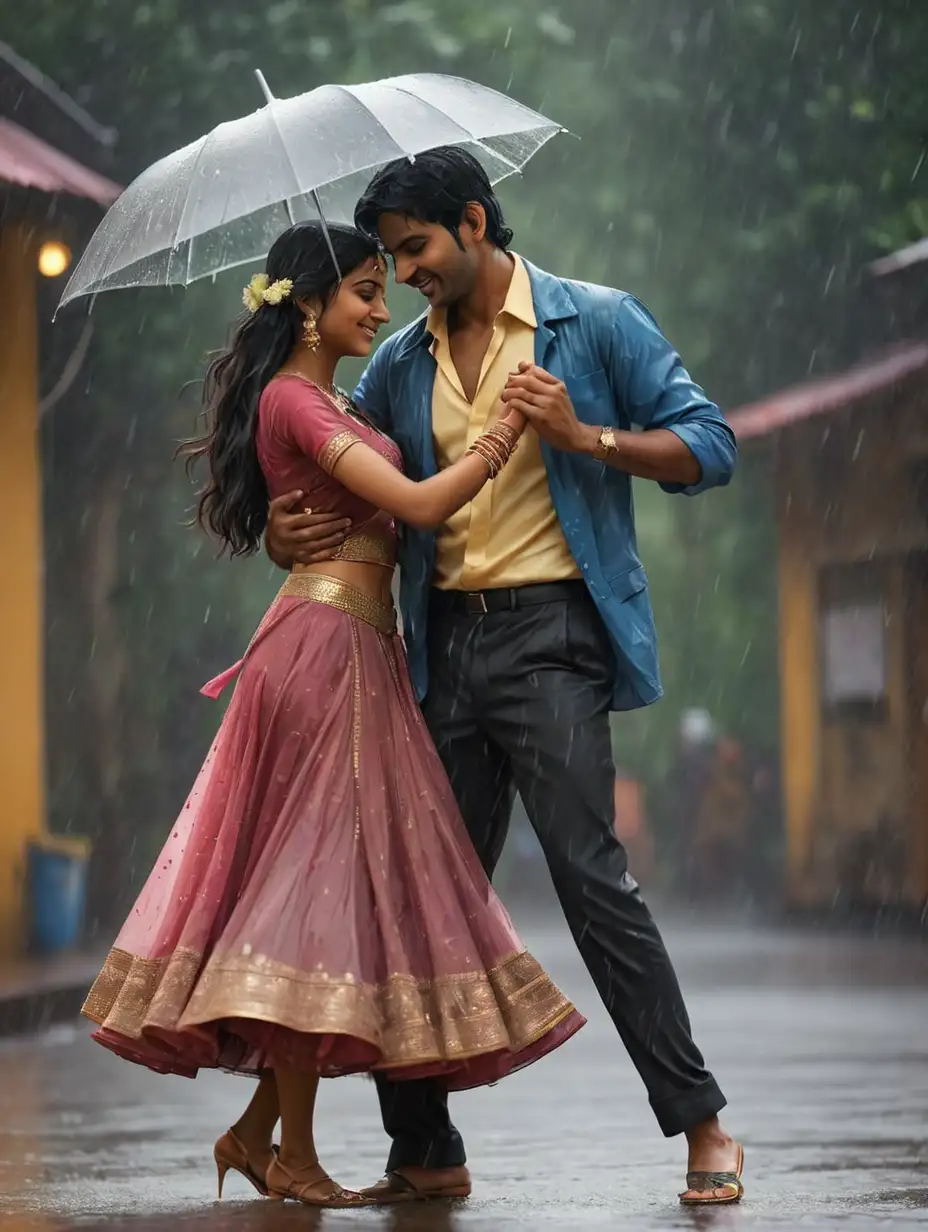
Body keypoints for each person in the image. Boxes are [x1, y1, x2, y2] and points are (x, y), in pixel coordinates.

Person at [266, 148, 745, 1207]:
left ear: (475, 222)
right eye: (389, 257)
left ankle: (703, 1122)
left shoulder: (597, 321)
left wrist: (587, 435)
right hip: (439, 650)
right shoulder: (397, 363)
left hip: (554, 636)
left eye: (417, 247)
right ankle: (425, 1146)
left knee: (590, 878)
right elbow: (360, 482)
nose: (404, 272)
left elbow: (711, 446)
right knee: (414, 894)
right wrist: (280, 529)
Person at [80, 220, 585, 1210]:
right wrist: (505, 432)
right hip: (323, 658)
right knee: (310, 896)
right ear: (309, 303)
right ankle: (294, 1154)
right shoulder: (293, 401)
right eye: (362, 288)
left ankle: (260, 1130)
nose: (380, 304)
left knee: (327, 890)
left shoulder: (319, 400)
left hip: (353, 648)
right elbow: (419, 502)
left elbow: (359, 505)